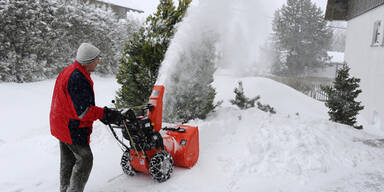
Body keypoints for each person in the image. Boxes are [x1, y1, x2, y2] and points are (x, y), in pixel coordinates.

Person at [50, 43, 122, 192]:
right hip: (71, 127)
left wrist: (101, 114)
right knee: (85, 159)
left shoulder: (71, 70)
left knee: (68, 160)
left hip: (60, 122)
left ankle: (65, 189)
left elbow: (75, 104)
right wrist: (105, 114)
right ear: (89, 61)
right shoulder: (78, 78)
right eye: (97, 59)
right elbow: (84, 112)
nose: (98, 61)